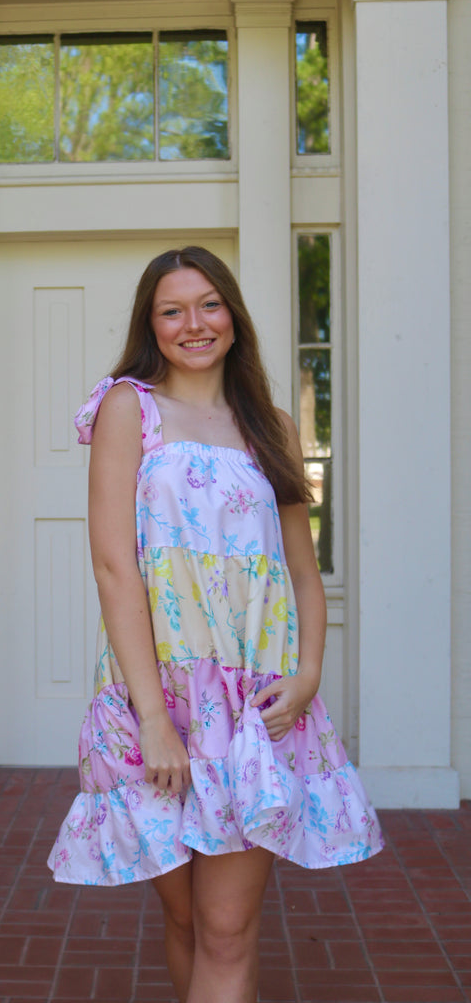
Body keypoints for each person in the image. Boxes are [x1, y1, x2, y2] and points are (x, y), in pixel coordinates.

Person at [47, 246, 383, 1003]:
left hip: (255, 712)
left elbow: (303, 572)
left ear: (233, 315)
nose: (193, 323)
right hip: (153, 702)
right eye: (172, 309)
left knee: (228, 927)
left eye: (208, 304)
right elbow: (114, 569)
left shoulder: (271, 426)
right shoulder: (128, 408)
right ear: (151, 324)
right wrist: (154, 719)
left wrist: (308, 675)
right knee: (191, 924)